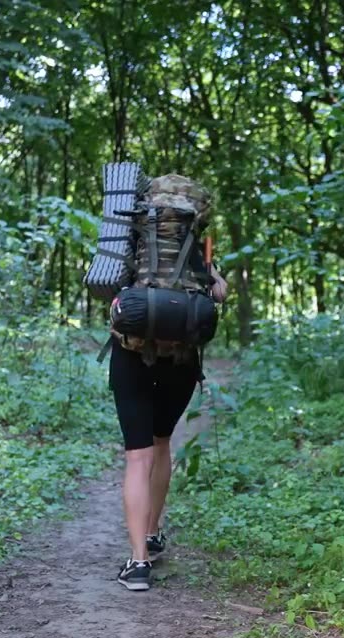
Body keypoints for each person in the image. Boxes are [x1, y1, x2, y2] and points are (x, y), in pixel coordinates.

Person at [109, 175, 227, 591]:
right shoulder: (198, 244)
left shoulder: (131, 234)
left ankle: (138, 562)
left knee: (137, 456)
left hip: (130, 353)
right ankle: (155, 532)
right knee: (162, 443)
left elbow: (105, 285)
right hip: (181, 357)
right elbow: (220, 295)